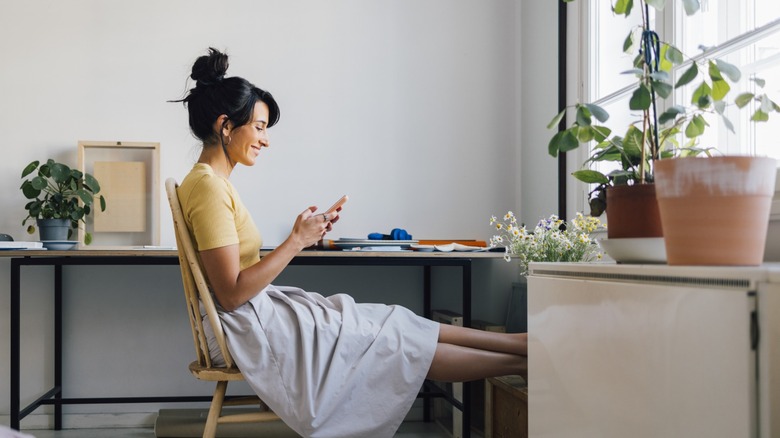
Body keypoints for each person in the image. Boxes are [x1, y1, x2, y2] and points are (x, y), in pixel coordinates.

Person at [172, 47, 527, 438]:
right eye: (258, 127)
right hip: (242, 327)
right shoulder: (208, 187)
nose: (265, 140)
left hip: (255, 315)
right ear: (226, 126)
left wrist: (301, 237)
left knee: (392, 321)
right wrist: (295, 242)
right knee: (390, 342)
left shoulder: (212, 183)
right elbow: (232, 294)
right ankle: (522, 361)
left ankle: (520, 346)